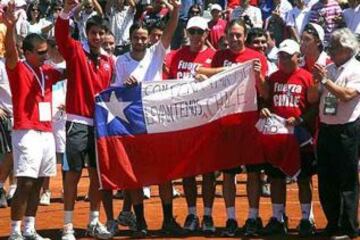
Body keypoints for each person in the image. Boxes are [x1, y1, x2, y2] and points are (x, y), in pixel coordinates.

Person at [113, 0, 181, 237]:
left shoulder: (156, 52)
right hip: (133, 123)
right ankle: (140, 221)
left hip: (158, 121)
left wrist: (177, 11)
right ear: (130, 38)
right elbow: (114, 94)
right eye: (137, 38)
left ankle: (168, 219)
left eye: (144, 38)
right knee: (135, 175)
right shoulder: (120, 61)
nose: (141, 41)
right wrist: (125, 85)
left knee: (164, 173)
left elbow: (171, 28)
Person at [201, 19, 268, 237]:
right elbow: (203, 73)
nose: (235, 38)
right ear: (226, 36)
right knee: (228, 174)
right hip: (227, 124)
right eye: (232, 35)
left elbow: (265, 93)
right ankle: (231, 219)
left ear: (245, 36)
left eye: (239, 35)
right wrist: (228, 70)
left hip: (249, 123)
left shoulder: (257, 57)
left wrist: (257, 74)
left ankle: (252, 217)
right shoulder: (220, 56)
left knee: (254, 174)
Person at [3, 2, 65, 239]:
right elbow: (10, 52)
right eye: (39, 53)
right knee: (26, 182)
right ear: (27, 53)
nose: (44, 55)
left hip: (46, 131)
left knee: (40, 182)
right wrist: (9, 28)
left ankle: (30, 228)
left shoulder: (47, 71)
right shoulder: (17, 69)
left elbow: (71, 67)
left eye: (45, 52)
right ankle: (15, 231)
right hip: (26, 131)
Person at [55, 0, 116, 239]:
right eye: (93, 33)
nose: (97, 37)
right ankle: (68, 225)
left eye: (101, 33)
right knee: (73, 175)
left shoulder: (110, 61)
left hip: (100, 126)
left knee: (97, 176)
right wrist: (67, 12)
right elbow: (61, 37)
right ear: (86, 33)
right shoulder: (75, 51)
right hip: (77, 122)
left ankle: (93, 221)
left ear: (106, 35)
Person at [259, 39, 316, 237]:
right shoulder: (273, 78)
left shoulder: (307, 77)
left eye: (287, 55)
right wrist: (264, 109)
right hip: (278, 137)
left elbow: (314, 106)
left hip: (301, 137)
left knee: (303, 179)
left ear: (297, 57)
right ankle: (278, 217)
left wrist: (300, 119)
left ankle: (306, 218)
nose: (283, 59)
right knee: (276, 179)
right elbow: (264, 101)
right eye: (280, 56)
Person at [165, 16, 216, 234]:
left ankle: (208, 215)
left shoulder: (214, 57)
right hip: (183, 122)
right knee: (187, 171)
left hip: (206, 121)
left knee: (208, 172)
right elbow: (165, 82)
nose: (196, 35)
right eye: (192, 31)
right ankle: (192, 212)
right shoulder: (175, 55)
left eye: (200, 31)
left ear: (207, 33)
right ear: (187, 32)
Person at [309, 28, 360, 239]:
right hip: (327, 129)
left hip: (347, 130)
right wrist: (315, 82)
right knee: (327, 178)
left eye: (335, 47)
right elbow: (313, 98)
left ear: (347, 49)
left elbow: (347, 95)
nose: (331, 51)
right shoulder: (328, 69)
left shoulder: (356, 69)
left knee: (346, 179)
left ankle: (348, 226)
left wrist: (324, 81)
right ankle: (333, 222)